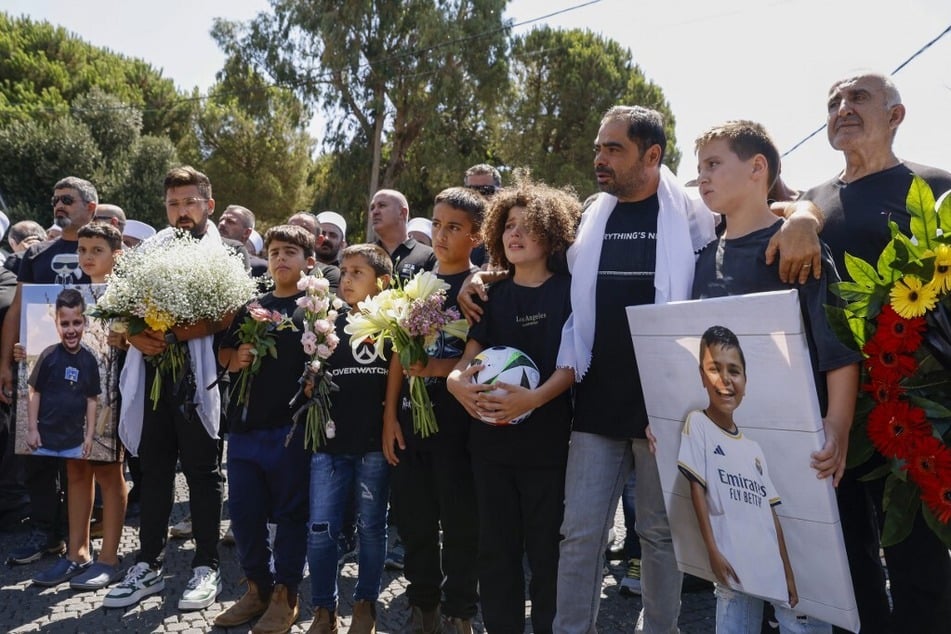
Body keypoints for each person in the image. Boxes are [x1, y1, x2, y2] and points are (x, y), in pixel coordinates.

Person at [459, 106, 819, 633]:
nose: (599, 159)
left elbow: (781, 203)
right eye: (599, 147)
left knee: (658, 535)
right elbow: (532, 263)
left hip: (666, 411)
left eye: (614, 149)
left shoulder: (698, 213)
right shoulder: (590, 218)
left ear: (652, 156)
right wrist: (482, 276)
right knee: (579, 534)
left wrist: (806, 218)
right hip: (594, 405)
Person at [799, 71, 951, 634]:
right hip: (830, 410)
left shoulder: (935, 187)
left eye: (858, 97)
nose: (842, 107)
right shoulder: (814, 200)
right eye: (834, 100)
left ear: (896, 115)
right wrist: (796, 216)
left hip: (920, 409)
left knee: (920, 558)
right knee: (845, 558)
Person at [446, 180, 578, 634]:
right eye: (508, 226)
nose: (514, 234)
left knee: (547, 553)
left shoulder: (570, 291)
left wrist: (534, 398)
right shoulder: (491, 295)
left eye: (528, 226)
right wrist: (455, 384)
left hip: (547, 448)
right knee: (496, 551)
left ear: (552, 234)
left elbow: (572, 365)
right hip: (490, 446)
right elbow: (467, 361)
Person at [105, 166, 230, 611]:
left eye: (190, 203)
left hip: (202, 379)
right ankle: (148, 565)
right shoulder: (149, 250)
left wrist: (174, 335)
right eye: (174, 204)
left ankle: (206, 565)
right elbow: (114, 311)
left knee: (202, 472)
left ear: (208, 205)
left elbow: (228, 315)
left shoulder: (224, 252)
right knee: (153, 471)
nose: (181, 212)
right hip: (151, 374)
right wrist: (135, 334)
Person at [383, 187, 483, 633]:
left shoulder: (481, 288)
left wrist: (435, 368)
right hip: (409, 424)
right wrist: (389, 418)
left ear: (476, 236)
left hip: (460, 430)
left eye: (454, 228)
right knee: (414, 522)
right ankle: (424, 604)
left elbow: (483, 358)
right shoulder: (412, 281)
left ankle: (461, 610)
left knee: (461, 525)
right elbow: (398, 356)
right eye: (437, 225)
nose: (440, 236)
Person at [213, 224, 316, 633]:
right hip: (243, 430)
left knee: (292, 515)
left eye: (290, 252)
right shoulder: (250, 305)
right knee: (243, 515)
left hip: (290, 432)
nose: (280, 259)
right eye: (274, 252)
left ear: (309, 262)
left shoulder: (317, 309)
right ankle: (256, 587)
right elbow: (221, 352)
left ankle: (285, 595)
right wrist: (233, 357)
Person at [678, 326, 808, 633]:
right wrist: (712, 549)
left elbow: (771, 515)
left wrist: (788, 573)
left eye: (734, 371)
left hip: (769, 567)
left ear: (746, 382)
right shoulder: (697, 424)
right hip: (733, 564)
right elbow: (697, 489)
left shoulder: (754, 450)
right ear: (701, 375)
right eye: (714, 369)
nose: (725, 380)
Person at [1, 177, 96, 567]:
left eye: (67, 200)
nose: (59, 205)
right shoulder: (36, 253)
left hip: (91, 369)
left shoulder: (105, 249)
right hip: (39, 368)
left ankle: (83, 538)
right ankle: (46, 532)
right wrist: (5, 363)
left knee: (84, 456)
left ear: (90, 207)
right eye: (56, 200)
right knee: (37, 454)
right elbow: (18, 310)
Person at [307, 243, 394, 634]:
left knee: (372, 528)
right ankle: (323, 610)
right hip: (329, 445)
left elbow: (399, 380)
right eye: (344, 271)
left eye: (358, 272)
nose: (347, 278)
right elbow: (310, 376)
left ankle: (365, 604)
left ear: (383, 282)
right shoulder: (326, 322)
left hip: (374, 445)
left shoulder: (393, 325)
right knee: (321, 528)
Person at [24, 288, 100, 584]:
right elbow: (34, 392)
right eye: (65, 324)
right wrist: (32, 428)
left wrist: (90, 435)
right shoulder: (47, 355)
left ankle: (80, 548)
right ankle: (60, 543)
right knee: (47, 482)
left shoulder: (91, 360)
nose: (71, 330)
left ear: (85, 324)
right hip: (46, 439)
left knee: (79, 483)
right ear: (57, 324)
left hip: (74, 441)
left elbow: (93, 400)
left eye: (77, 323)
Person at [370, 189, 436, 282]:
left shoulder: (429, 256)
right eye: (372, 208)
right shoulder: (363, 254)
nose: (375, 212)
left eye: (382, 206)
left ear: (402, 213)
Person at [287, 212, 342, 292]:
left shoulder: (330, 273)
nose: (294, 235)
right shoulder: (275, 267)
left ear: (319, 240)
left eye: (303, 230)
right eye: (290, 229)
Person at [218, 205, 267, 278]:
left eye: (230, 222)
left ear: (246, 232)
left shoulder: (260, 268)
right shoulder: (203, 254)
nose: (222, 224)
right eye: (221, 220)